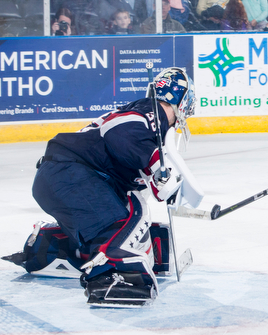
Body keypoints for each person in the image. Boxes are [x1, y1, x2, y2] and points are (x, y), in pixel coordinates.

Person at [29, 68, 198, 306]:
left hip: (59, 177)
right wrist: (154, 165)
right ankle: (113, 276)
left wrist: (158, 179)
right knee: (129, 215)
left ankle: (50, 248)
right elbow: (118, 131)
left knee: (125, 208)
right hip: (70, 174)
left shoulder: (144, 114)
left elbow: (124, 154)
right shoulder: (154, 111)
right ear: (183, 101)